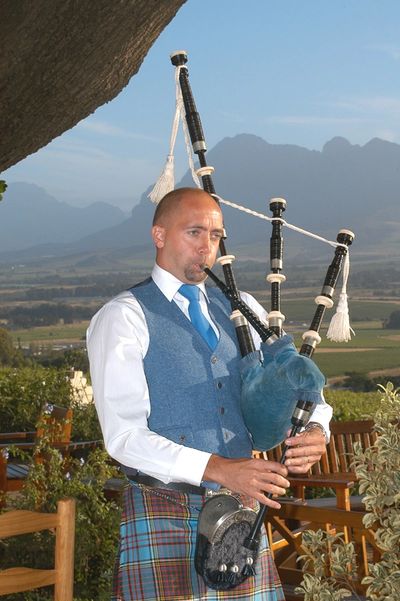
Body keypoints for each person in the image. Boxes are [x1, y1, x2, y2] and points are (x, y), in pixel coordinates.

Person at [87, 187, 332, 601]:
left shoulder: (242, 308)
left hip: (240, 513)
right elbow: (123, 437)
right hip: (163, 507)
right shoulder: (124, 316)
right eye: (195, 232)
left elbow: (300, 384)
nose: (208, 247)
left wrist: (317, 430)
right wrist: (218, 468)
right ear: (159, 235)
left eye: (216, 236)